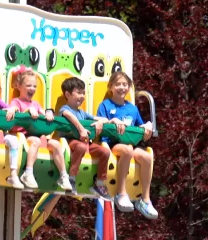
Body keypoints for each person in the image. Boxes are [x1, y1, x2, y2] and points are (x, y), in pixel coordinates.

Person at [96, 71, 158, 219]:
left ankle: (145, 199)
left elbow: (140, 127)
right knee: (127, 151)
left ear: (129, 87)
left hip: (130, 142)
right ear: (111, 87)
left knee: (147, 157)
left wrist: (146, 129)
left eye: (125, 84)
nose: (122, 87)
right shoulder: (105, 105)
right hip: (112, 144)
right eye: (118, 84)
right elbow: (100, 123)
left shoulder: (132, 108)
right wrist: (113, 122)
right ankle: (121, 193)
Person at [8, 67, 72, 191]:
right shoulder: (16, 102)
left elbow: (43, 113)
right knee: (36, 142)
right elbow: (13, 110)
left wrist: (48, 114)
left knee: (56, 145)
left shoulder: (36, 104)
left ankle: (64, 176)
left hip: (38, 135)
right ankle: (28, 172)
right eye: (28, 85)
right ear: (19, 86)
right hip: (23, 135)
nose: (32, 89)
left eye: (34, 86)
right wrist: (27, 111)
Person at [57, 77, 111, 199]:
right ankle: (72, 178)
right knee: (80, 147)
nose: (81, 96)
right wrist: (81, 129)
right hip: (70, 142)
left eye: (83, 93)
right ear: (67, 94)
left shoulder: (83, 113)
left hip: (86, 143)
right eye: (78, 93)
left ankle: (100, 182)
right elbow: (68, 115)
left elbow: (102, 119)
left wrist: (100, 123)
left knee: (105, 151)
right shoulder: (65, 109)